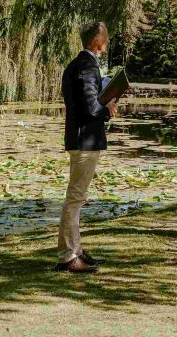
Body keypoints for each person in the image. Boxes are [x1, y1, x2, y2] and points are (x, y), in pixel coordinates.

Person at [55, 21, 117, 273]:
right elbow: (92, 107)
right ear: (96, 41)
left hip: (78, 138)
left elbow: (82, 101)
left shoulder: (76, 65)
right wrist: (108, 108)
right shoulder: (87, 66)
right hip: (85, 141)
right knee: (75, 198)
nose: (108, 41)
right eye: (106, 37)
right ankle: (68, 257)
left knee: (77, 198)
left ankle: (76, 250)